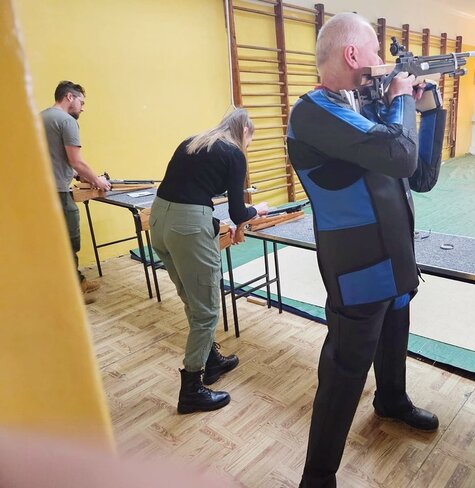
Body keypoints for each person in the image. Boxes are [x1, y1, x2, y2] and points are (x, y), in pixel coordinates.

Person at [287, 13, 443, 487]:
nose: (381, 59)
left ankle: (391, 400)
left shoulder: (364, 108)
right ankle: (317, 477)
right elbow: (398, 153)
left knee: (395, 335)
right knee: (345, 370)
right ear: (353, 54)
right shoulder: (313, 112)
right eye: (375, 50)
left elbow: (420, 174)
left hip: (394, 259)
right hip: (358, 267)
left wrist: (428, 108)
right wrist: (401, 99)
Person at [150, 108, 268, 415]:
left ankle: (211, 359)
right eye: (249, 141)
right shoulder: (234, 153)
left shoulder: (193, 141)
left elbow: (187, 189)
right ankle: (192, 389)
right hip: (187, 226)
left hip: (158, 220)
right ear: (245, 132)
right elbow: (239, 212)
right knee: (207, 310)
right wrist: (257, 210)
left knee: (193, 299)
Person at [41, 81, 112, 304]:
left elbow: (52, 157)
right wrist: (98, 181)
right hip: (59, 193)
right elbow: (77, 161)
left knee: (53, 241)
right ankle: (72, 293)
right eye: (81, 102)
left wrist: (76, 175)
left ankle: (75, 281)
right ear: (69, 97)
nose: (82, 108)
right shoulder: (67, 121)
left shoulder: (40, 118)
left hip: (41, 190)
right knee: (70, 241)